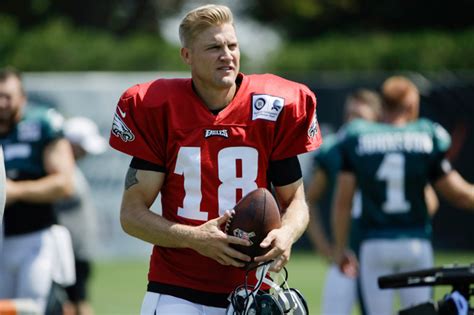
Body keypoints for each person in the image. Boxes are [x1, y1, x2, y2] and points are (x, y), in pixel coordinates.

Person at [108, 4, 322, 315]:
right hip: (177, 291)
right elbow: (131, 214)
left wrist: (287, 234)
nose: (227, 55)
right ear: (187, 56)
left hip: (251, 291)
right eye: (213, 47)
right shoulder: (159, 108)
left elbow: (296, 202)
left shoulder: (273, 106)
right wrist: (194, 238)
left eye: (232, 45)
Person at [332, 75, 474, 315]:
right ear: (410, 104)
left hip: (374, 245)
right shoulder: (425, 136)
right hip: (415, 244)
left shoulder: (358, 136)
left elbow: (343, 201)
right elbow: (458, 194)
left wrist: (339, 247)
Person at [0, 67, 76, 314]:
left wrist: (14, 191)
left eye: (7, 96)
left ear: (22, 97)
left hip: (34, 238)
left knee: (32, 309)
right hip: (1, 241)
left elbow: (64, 183)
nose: (2, 104)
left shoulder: (41, 124)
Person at [306, 89, 382, 315]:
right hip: (346, 256)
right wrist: (326, 248)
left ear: (377, 118)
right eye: (349, 116)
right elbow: (308, 200)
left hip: (379, 249)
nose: (353, 123)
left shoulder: (390, 146)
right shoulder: (334, 150)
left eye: (359, 117)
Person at [56, 116, 107, 315]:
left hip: (77, 250)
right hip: (67, 250)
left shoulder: (71, 168)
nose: (86, 153)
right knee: (71, 303)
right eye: (82, 147)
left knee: (77, 300)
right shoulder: (62, 171)